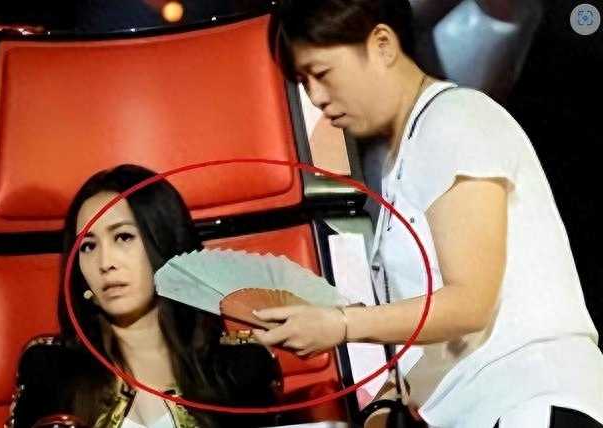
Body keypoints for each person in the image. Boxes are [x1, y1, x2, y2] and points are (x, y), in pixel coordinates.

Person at [253, 1, 603, 427]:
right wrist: (388, 399)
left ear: (382, 45)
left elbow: (470, 304)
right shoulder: (404, 155)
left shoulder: (455, 119)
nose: (316, 98)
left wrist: (341, 324)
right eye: (304, 82)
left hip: (527, 401)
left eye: (322, 73)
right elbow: (447, 333)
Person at [6, 164, 280, 428]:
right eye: (88, 246)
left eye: (123, 237)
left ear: (165, 242)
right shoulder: (49, 369)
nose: (105, 263)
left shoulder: (242, 365)